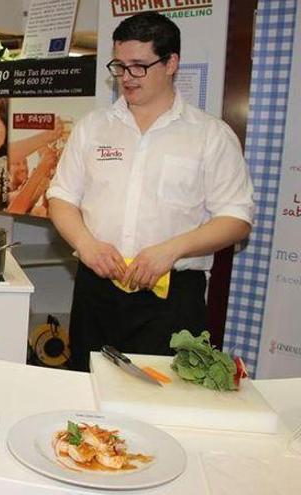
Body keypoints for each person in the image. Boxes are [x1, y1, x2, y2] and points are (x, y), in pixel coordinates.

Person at [46, 12, 254, 372]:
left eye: (139, 66)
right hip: (98, 290)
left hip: (172, 296)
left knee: (162, 403)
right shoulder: (94, 127)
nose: (126, 78)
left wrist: (170, 251)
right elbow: (61, 198)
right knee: (87, 392)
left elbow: (236, 219)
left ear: (171, 62)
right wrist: (87, 244)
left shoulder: (209, 135)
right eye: (120, 66)